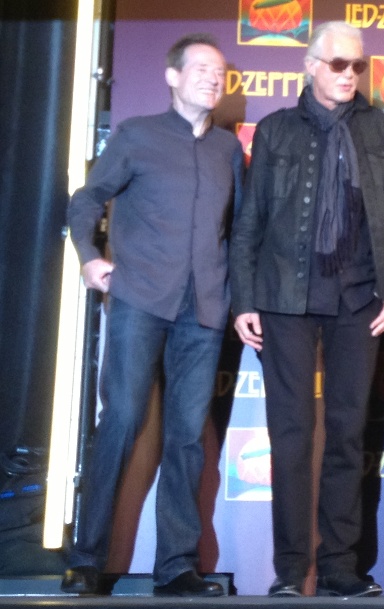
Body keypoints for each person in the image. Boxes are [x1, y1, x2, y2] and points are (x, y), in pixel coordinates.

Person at [229, 21, 384, 598]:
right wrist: (244, 299)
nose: (351, 75)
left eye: (358, 66)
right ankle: (289, 572)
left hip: (359, 298)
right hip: (284, 297)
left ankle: (339, 568)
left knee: (347, 434)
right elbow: (249, 222)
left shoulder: (379, 127)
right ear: (310, 66)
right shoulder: (278, 130)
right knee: (290, 435)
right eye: (339, 65)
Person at [61, 33, 243, 597]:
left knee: (187, 438)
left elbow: (239, 231)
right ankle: (86, 560)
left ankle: (176, 568)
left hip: (203, 312)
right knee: (121, 423)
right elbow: (86, 200)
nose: (213, 79)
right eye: (202, 70)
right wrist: (91, 258)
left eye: (220, 73)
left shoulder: (229, 151)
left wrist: (239, 298)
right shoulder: (136, 136)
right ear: (172, 76)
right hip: (140, 299)